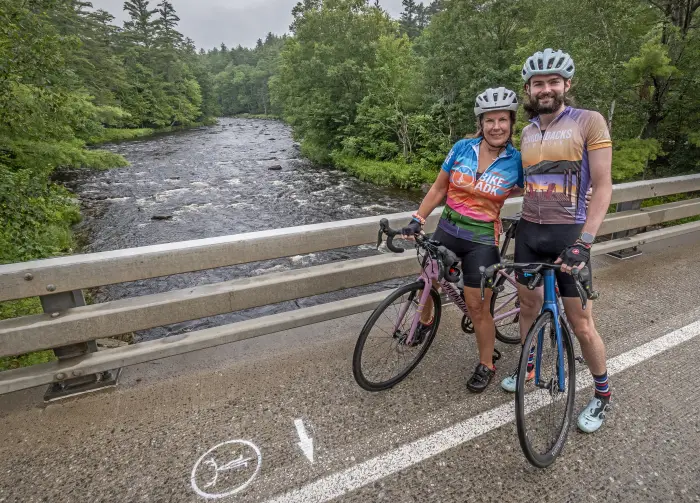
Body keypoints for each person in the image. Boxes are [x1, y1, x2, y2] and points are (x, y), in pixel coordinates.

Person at [499, 49, 613, 433]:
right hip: (530, 233)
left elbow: (603, 187)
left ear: (566, 85)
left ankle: (602, 396)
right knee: (527, 309)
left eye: (552, 82)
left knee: (582, 325)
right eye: (537, 83)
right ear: (528, 89)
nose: (545, 89)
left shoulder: (589, 122)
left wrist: (585, 242)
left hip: (569, 234)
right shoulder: (528, 131)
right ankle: (529, 369)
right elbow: (522, 182)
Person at [401, 86, 523, 393]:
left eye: (502, 120)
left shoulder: (517, 161)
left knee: (477, 307)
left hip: (481, 240)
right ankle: (425, 322)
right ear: (480, 123)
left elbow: (533, 188)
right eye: (489, 120)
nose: (496, 126)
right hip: (447, 229)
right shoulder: (461, 148)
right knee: (427, 280)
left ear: (511, 122)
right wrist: (418, 217)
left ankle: (487, 364)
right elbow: (439, 188)